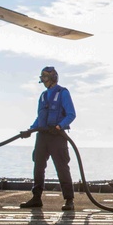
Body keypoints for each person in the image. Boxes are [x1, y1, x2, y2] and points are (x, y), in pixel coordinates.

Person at [19, 66, 76, 212]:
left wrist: (59, 126)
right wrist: (30, 130)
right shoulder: (43, 96)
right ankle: (36, 198)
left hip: (57, 137)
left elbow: (71, 114)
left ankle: (69, 200)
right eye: (42, 78)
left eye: (45, 77)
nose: (43, 80)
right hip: (42, 136)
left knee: (62, 168)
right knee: (38, 167)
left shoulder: (63, 93)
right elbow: (40, 117)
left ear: (52, 78)